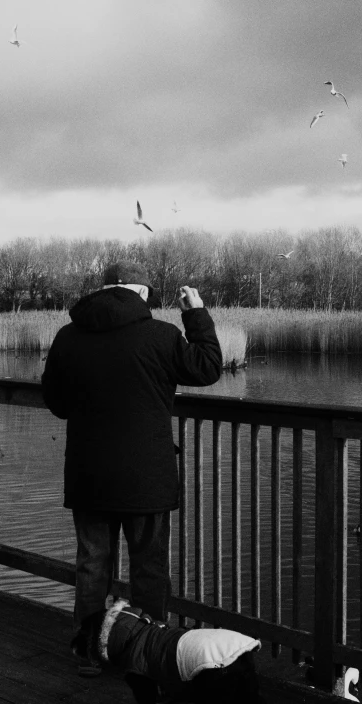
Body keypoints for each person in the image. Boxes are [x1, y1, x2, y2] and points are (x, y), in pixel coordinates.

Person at [41, 260, 222, 675]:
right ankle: (149, 652)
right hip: (146, 478)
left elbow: (56, 402)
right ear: (142, 294)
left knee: (92, 564)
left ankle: (88, 653)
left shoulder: (68, 337)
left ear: (103, 290)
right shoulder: (160, 336)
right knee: (149, 568)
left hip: (90, 475)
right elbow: (209, 367)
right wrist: (195, 311)